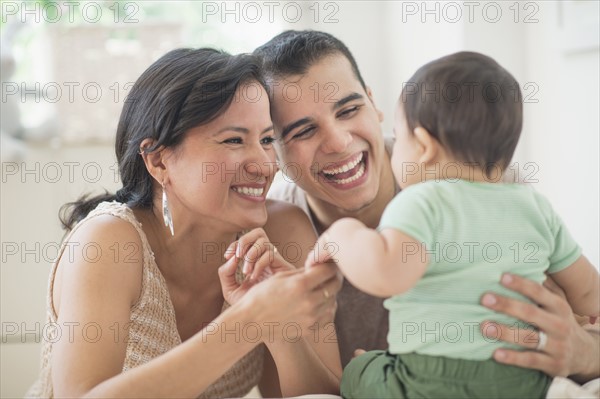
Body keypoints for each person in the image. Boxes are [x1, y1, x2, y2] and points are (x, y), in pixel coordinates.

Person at [254, 30, 600, 382]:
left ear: (374, 106)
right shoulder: (278, 231)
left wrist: (587, 353)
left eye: (349, 109)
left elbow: (584, 317)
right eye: (303, 131)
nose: (339, 142)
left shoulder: (489, 183)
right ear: (274, 149)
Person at [26, 48, 342, 398]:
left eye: (267, 140)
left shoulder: (282, 230)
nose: (265, 165)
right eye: (234, 140)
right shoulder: (108, 243)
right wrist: (248, 321)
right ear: (159, 161)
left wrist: (281, 328)